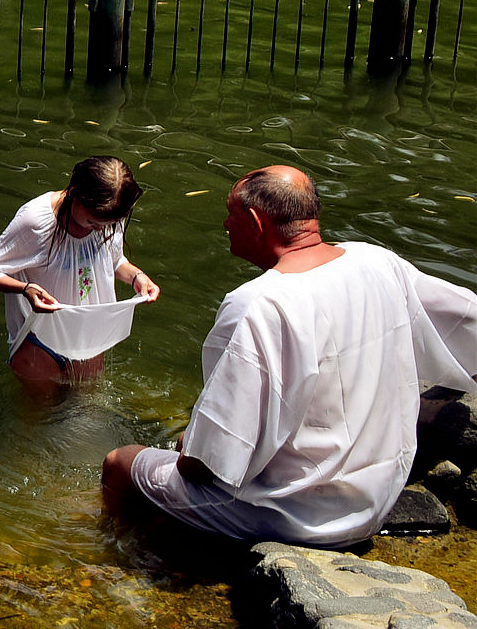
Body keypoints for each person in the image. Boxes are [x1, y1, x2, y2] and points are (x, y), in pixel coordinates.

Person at [102, 166, 477, 547]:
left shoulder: (257, 304)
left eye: (231, 213)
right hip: (379, 496)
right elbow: (468, 320)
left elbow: (204, 468)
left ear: (253, 220)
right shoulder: (378, 262)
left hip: (297, 516)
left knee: (120, 464)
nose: (226, 223)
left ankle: (124, 560)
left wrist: (192, 448)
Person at [0, 157, 161, 388]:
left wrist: (136, 277)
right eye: (92, 222)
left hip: (88, 336)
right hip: (39, 341)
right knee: (35, 422)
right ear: (74, 196)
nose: (101, 229)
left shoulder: (110, 216)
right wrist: (25, 289)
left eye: (109, 223)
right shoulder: (36, 222)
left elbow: (114, 260)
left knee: (87, 417)